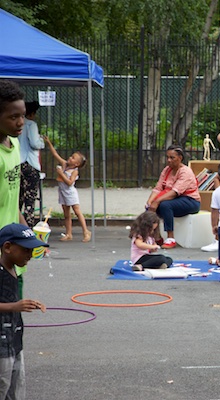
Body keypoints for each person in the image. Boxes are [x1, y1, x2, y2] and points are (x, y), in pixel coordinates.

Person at [0, 223, 48, 399]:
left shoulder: (14, 270)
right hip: (1, 345)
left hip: (14, 339)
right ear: (7, 247)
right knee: (2, 384)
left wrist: (27, 304)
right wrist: (14, 306)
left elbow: (13, 301)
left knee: (16, 386)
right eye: (26, 250)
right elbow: (12, 304)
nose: (30, 255)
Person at [146, 145, 201, 249]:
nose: (169, 160)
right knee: (150, 207)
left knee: (165, 205)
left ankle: (171, 238)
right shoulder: (167, 170)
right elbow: (158, 188)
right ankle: (155, 237)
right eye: (167, 157)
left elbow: (175, 192)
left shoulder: (185, 171)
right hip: (174, 199)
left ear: (180, 158)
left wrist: (156, 201)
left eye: (172, 158)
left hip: (190, 201)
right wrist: (150, 201)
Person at [43, 136, 91, 242]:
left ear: (77, 164)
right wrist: (49, 143)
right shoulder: (65, 164)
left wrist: (61, 173)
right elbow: (55, 154)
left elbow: (70, 183)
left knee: (77, 211)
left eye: (73, 158)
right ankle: (68, 233)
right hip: (62, 192)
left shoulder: (74, 171)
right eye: (71, 156)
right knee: (66, 214)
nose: (70, 158)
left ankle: (86, 231)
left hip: (70, 192)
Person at [0, 80, 28, 229]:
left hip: (8, 243)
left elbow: (11, 204)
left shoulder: (14, 143)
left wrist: (27, 235)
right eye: (13, 117)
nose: (21, 122)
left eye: (22, 116)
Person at [18, 101, 44, 227]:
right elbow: (34, 143)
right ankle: (28, 228)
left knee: (18, 199)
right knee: (30, 199)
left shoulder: (17, 124)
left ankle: (14, 225)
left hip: (18, 163)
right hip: (30, 164)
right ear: (32, 113)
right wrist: (41, 142)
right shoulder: (31, 125)